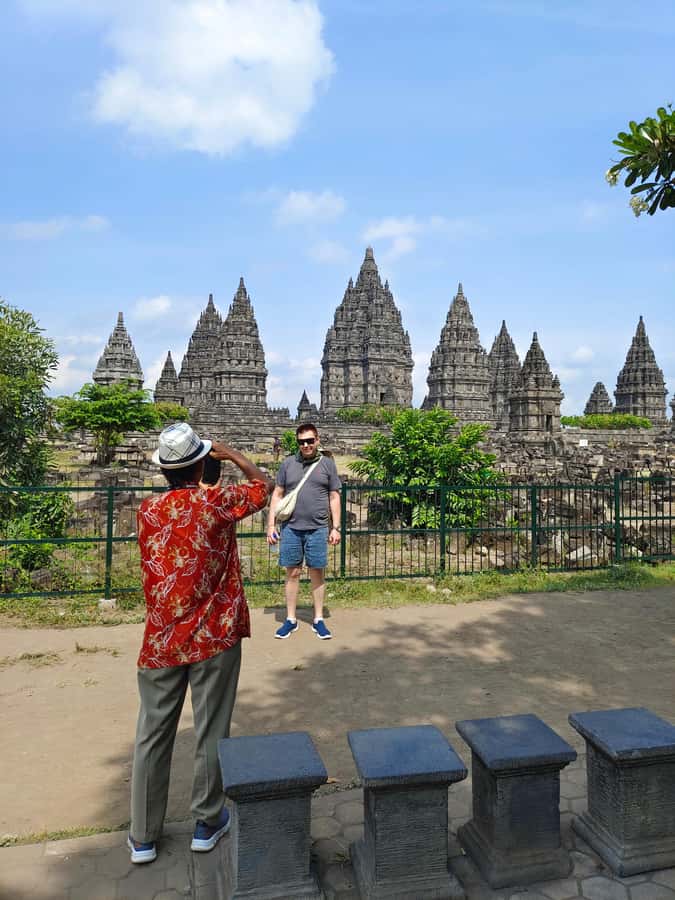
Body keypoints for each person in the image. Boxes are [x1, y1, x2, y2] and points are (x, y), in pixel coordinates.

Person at [128, 422, 273, 864]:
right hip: (214, 634)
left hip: (161, 640)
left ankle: (143, 837)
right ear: (201, 464)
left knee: (151, 735)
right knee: (210, 729)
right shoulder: (217, 501)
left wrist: (201, 473)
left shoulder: (148, 511)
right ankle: (207, 822)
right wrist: (231, 455)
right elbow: (263, 487)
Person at [266, 422, 341, 640]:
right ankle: (290, 619)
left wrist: (335, 527)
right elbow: (277, 494)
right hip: (291, 527)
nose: (306, 445)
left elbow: (334, 496)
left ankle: (318, 618)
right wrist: (271, 525)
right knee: (293, 572)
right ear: (297, 443)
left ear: (317, 440)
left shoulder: (327, 464)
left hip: (318, 527)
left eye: (310, 440)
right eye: (302, 442)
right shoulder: (288, 464)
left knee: (317, 571)